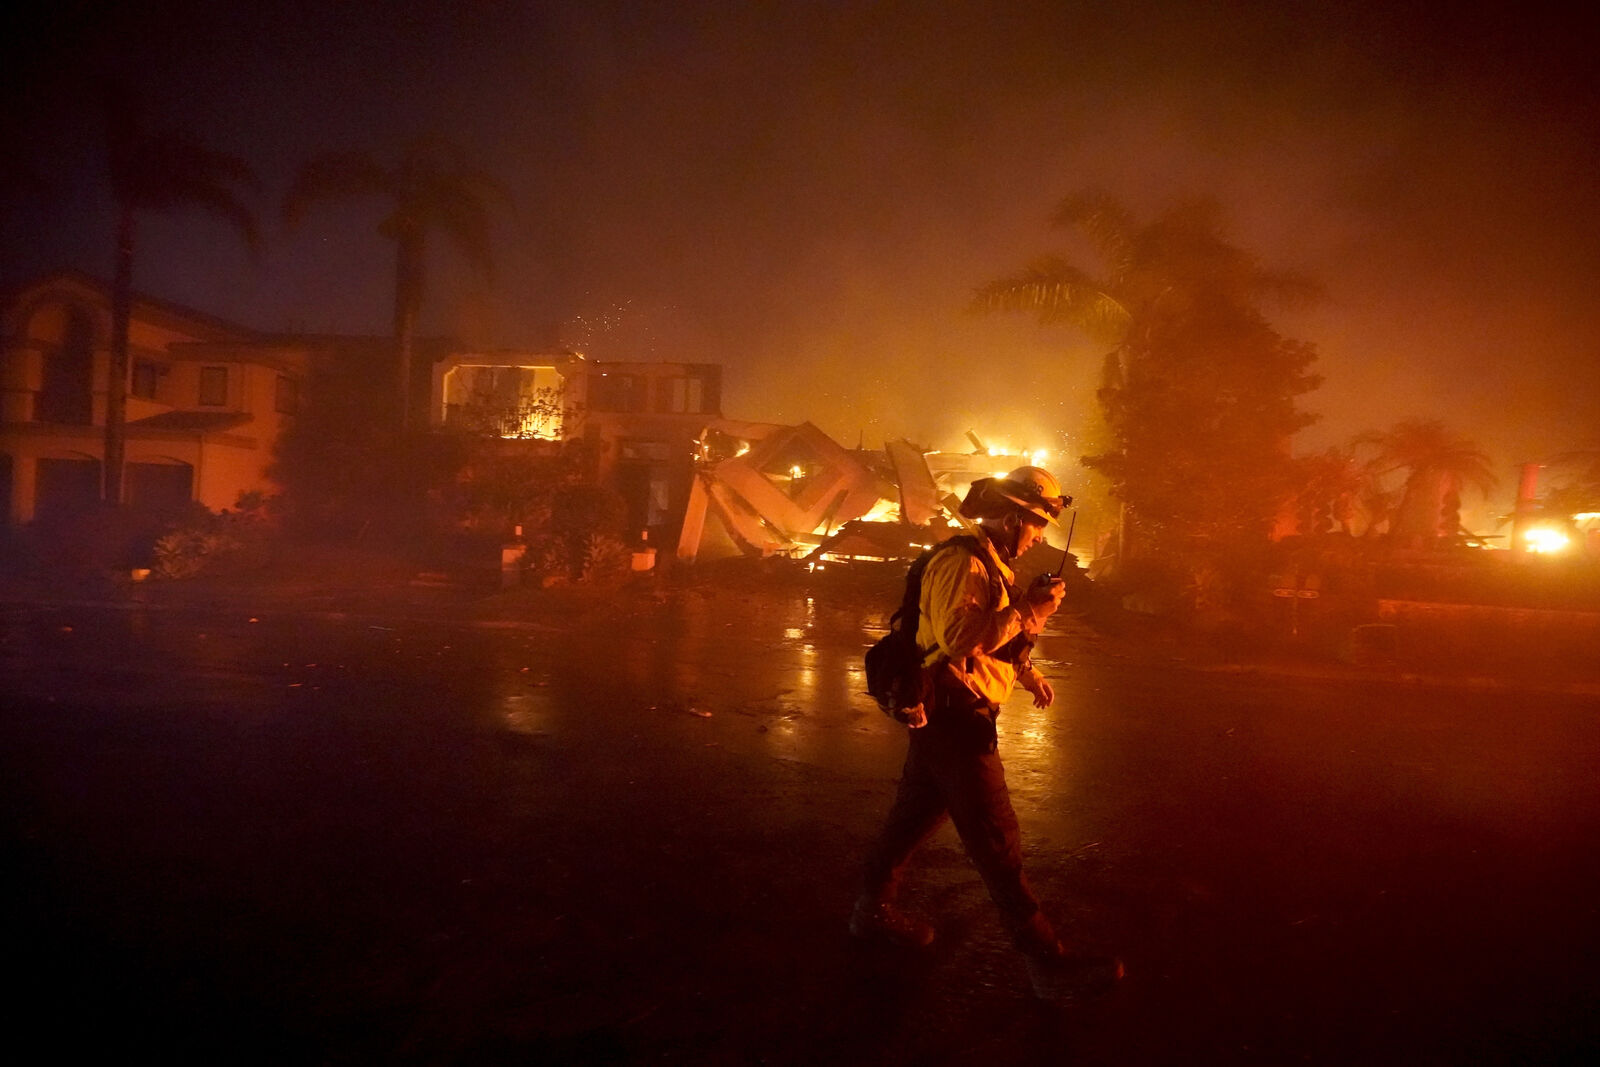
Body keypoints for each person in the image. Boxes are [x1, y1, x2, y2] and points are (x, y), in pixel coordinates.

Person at [850, 465, 1123, 1002]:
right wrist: (1030, 609)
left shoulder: (989, 562)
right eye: (1036, 525)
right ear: (1010, 518)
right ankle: (1047, 964)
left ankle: (871, 910)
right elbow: (960, 640)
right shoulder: (963, 562)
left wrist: (1028, 670)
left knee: (911, 821)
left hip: (952, 716)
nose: (1039, 537)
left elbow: (992, 635)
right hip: (957, 720)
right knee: (998, 844)